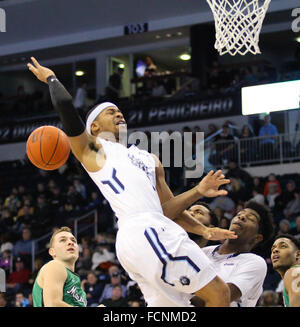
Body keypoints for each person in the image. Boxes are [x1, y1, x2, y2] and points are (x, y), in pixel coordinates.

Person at [28, 57, 237, 307]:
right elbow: (66, 107)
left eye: (119, 110)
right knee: (219, 294)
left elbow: (168, 210)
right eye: (110, 111)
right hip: (143, 230)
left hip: (150, 231)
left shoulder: (149, 159)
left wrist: (201, 216)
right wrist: (51, 78)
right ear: (93, 126)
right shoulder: (94, 149)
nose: (118, 113)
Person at [199, 201, 275, 306]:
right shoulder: (204, 251)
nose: (242, 217)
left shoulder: (255, 262)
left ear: (257, 238)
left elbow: (220, 297)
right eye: (239, 214)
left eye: (251, 219)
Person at [32, 226, 87, 307]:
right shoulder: (54, 266)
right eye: (63, 240)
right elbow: (52, 305)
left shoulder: (75, 279)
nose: (70, 243)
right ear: (52, 252)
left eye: (73, 240)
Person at [271, 234, 300, 306]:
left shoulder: (294, 272)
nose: (275, 250)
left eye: (283, 246)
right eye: (272, 249)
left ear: (298, 255)